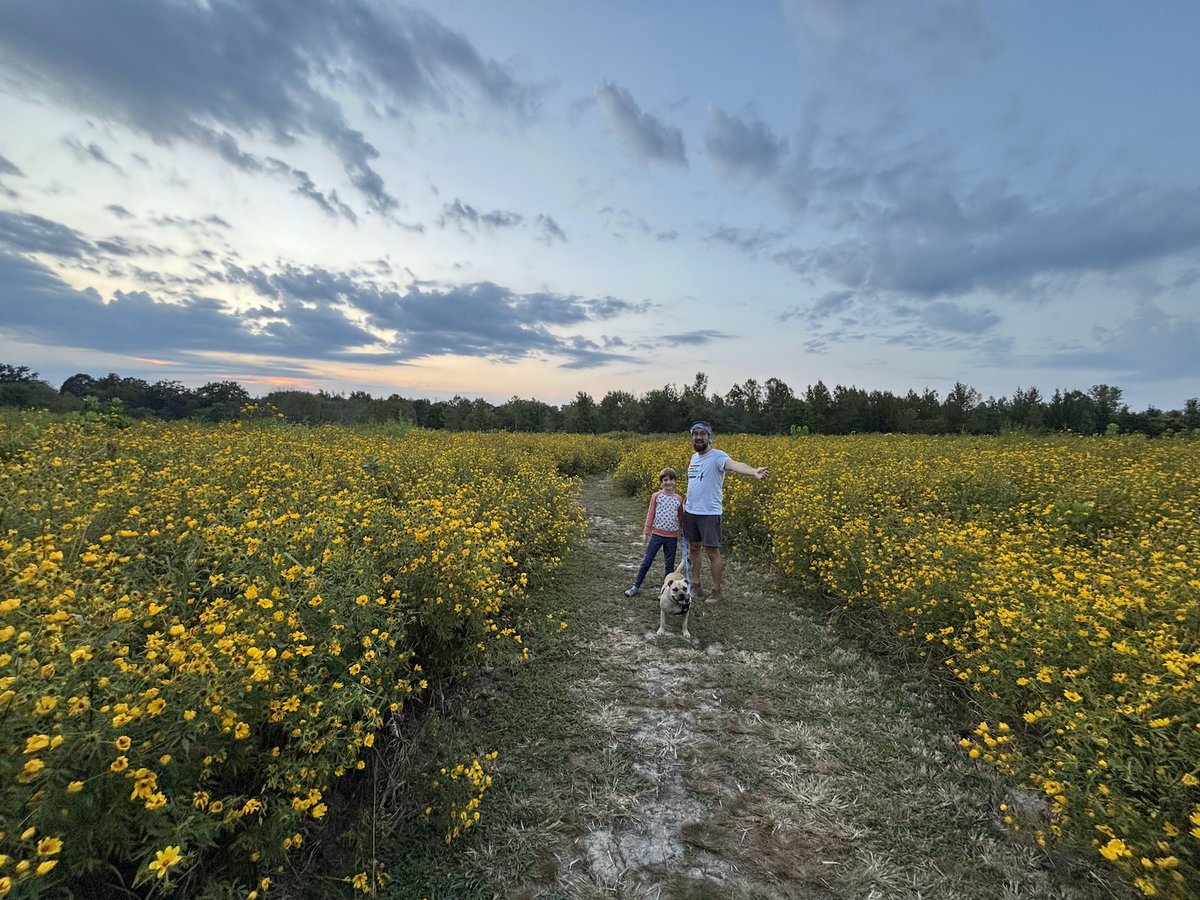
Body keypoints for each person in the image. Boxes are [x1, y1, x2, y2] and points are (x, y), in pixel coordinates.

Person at [682, 422, 768, 603]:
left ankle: (716, 591)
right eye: (695, 434)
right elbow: (696, 482)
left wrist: (753, 471)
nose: (698, 437)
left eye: (702, 434)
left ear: (709, 437)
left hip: (709, 513)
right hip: (691, 511)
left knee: (712, 552)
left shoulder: (717, 456)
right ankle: (696, 586)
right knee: (694, 548)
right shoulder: (693, 458)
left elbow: (734, 464)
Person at [624, 467, 684, 597]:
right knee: (647, 561)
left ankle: (666, 592)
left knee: (669, 566)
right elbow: (650, 514)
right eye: (665, 480)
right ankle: (636, 586)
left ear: (675, 481)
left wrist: (681, 531)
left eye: (671, 480)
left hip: (671, 537)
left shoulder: (679, 499)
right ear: (661, 482)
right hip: (657, 535)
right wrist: (646, 531)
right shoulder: (656, 496)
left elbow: (680, 517)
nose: (668, 482)